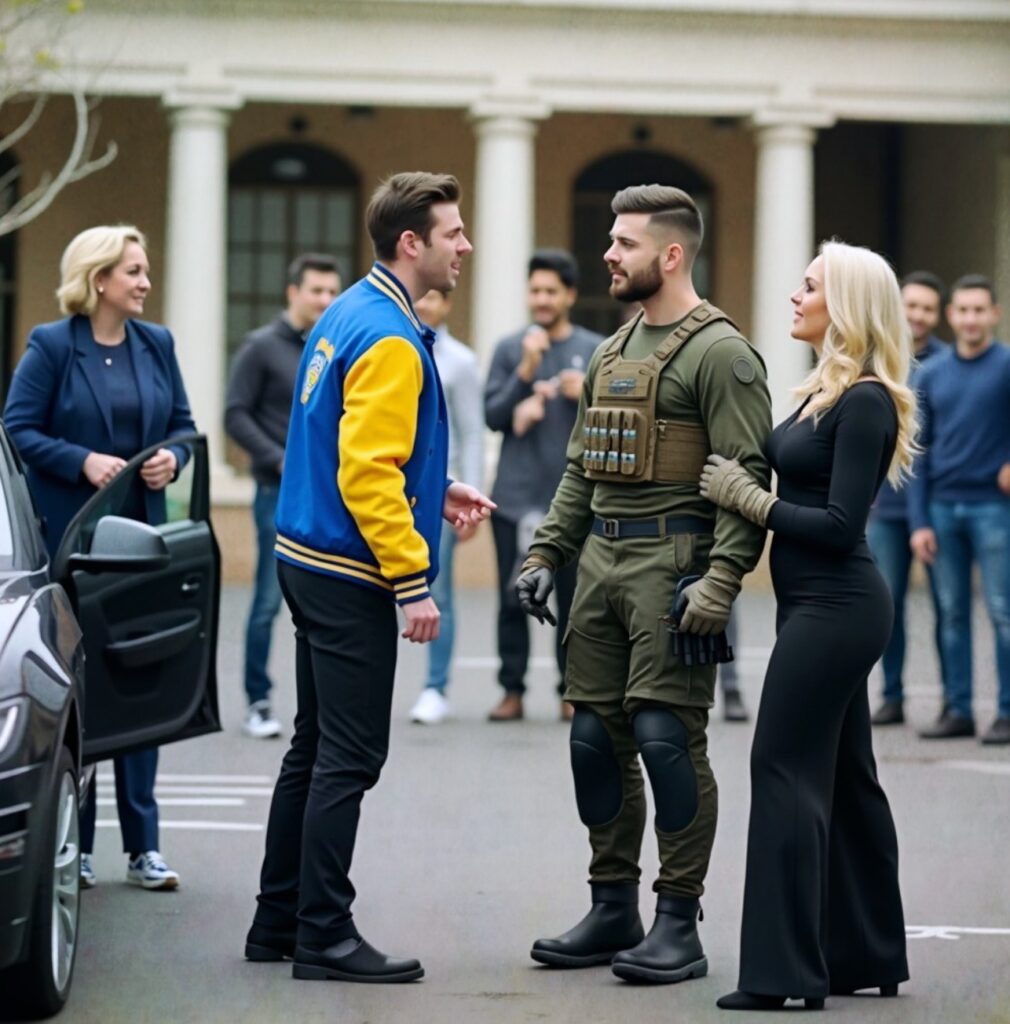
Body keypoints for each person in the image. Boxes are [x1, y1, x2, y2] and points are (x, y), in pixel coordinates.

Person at [517, 185, 771, 985]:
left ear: (671, 253)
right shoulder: (609, 352)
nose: (608, 254)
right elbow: (580, 470)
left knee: (666, 738)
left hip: (676, 564)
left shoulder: (723, 354)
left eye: (624, 243)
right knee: (594, 739)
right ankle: (612, 906)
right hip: (600, 564)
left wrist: (723, 579)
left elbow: (747, 476)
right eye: (611, 240)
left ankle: (677, 922)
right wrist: (545, 554)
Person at [244, 172, 494, 984]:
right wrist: (414, 579)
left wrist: (435, 486)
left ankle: (277, 921)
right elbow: (365, 471)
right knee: (350, 757)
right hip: (347, 568)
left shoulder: (351, 308)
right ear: (412, 243)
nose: (465, 246)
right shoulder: (389, 333)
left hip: (306, 555)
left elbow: (350, 442)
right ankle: (324, 933)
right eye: (453, 233)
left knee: (314, 746)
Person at [701, 241, 913, 1011]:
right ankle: (865, 954)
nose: (795, 296)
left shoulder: (866, 400)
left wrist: (749, 500)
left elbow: (838, 524)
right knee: (846, 776)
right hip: (816, 607)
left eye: (810, 286)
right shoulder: (826, 390)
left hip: (838, 609)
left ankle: (784, 975)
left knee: (782, 766)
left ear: (846, 303)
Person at [4, 224, 196, 891]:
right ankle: (77, 846)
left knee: (139, 683)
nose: (146, 282)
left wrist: (173, 457)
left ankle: (145, 849)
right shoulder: (53, 346)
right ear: (99, 278)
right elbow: (17, 429)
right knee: (80, 691)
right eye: (134, 271)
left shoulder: (157, 344)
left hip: (138, 545)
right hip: (72, 544)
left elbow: (183, 425)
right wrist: (81, 460)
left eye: (144, 270)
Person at [225, 253, 342, 739]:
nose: (325, 300)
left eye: (332, 291)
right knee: (270, 600)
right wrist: (278, 458)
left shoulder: (334, 346)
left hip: (329, 493)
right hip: (276, 491)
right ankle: (257, 701)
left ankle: (322, 711)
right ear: (293, 292)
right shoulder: (260, 347)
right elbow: (235, 413)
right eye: (316, 290)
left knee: (326, 599)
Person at [484, 249, 603, 722]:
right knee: (511, 599)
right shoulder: (510, 348)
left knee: (575, 604)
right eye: (535, 290)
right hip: (514, 500)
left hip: (572, 504)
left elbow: (619, 418)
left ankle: (570, 691)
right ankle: (511, 691)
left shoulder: (595, 349)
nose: (542, 299)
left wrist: (586, 394)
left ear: (570, 295)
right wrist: (524, 376)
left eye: (551, 291)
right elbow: (492, 416)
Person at [909, 275, 1010, 744]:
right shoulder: (931, 374)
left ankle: (1006, 711)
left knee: (1002, 611)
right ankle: (959, 709)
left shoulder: (1006, 366)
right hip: (941, 509)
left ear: (994, 314)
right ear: (951, 316)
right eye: (963, 310)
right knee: (951, 613)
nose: (970, 319)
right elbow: (918, 451)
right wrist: (919, 522)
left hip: (994, 508)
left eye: (979, 310)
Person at [867, 271, 948, 726]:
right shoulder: (879, 358)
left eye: (926, 308)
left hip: (933, 505)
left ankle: (953, 701)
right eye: (911, 305)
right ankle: (892, 695)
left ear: (938, 315)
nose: (917, 315)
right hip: (885, 506)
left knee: (948, 607)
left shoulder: (949, 364)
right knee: (888, 606)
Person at [408, 289, 484, 725]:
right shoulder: (395, 345)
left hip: (440, 496)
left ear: (448, 306)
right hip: (394, 491)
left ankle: (435, 688)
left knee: (438, 594)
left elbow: (472, 433)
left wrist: (472, 494)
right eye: (421, 297)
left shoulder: (460, 361)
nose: (424, 304)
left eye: (434, 298)